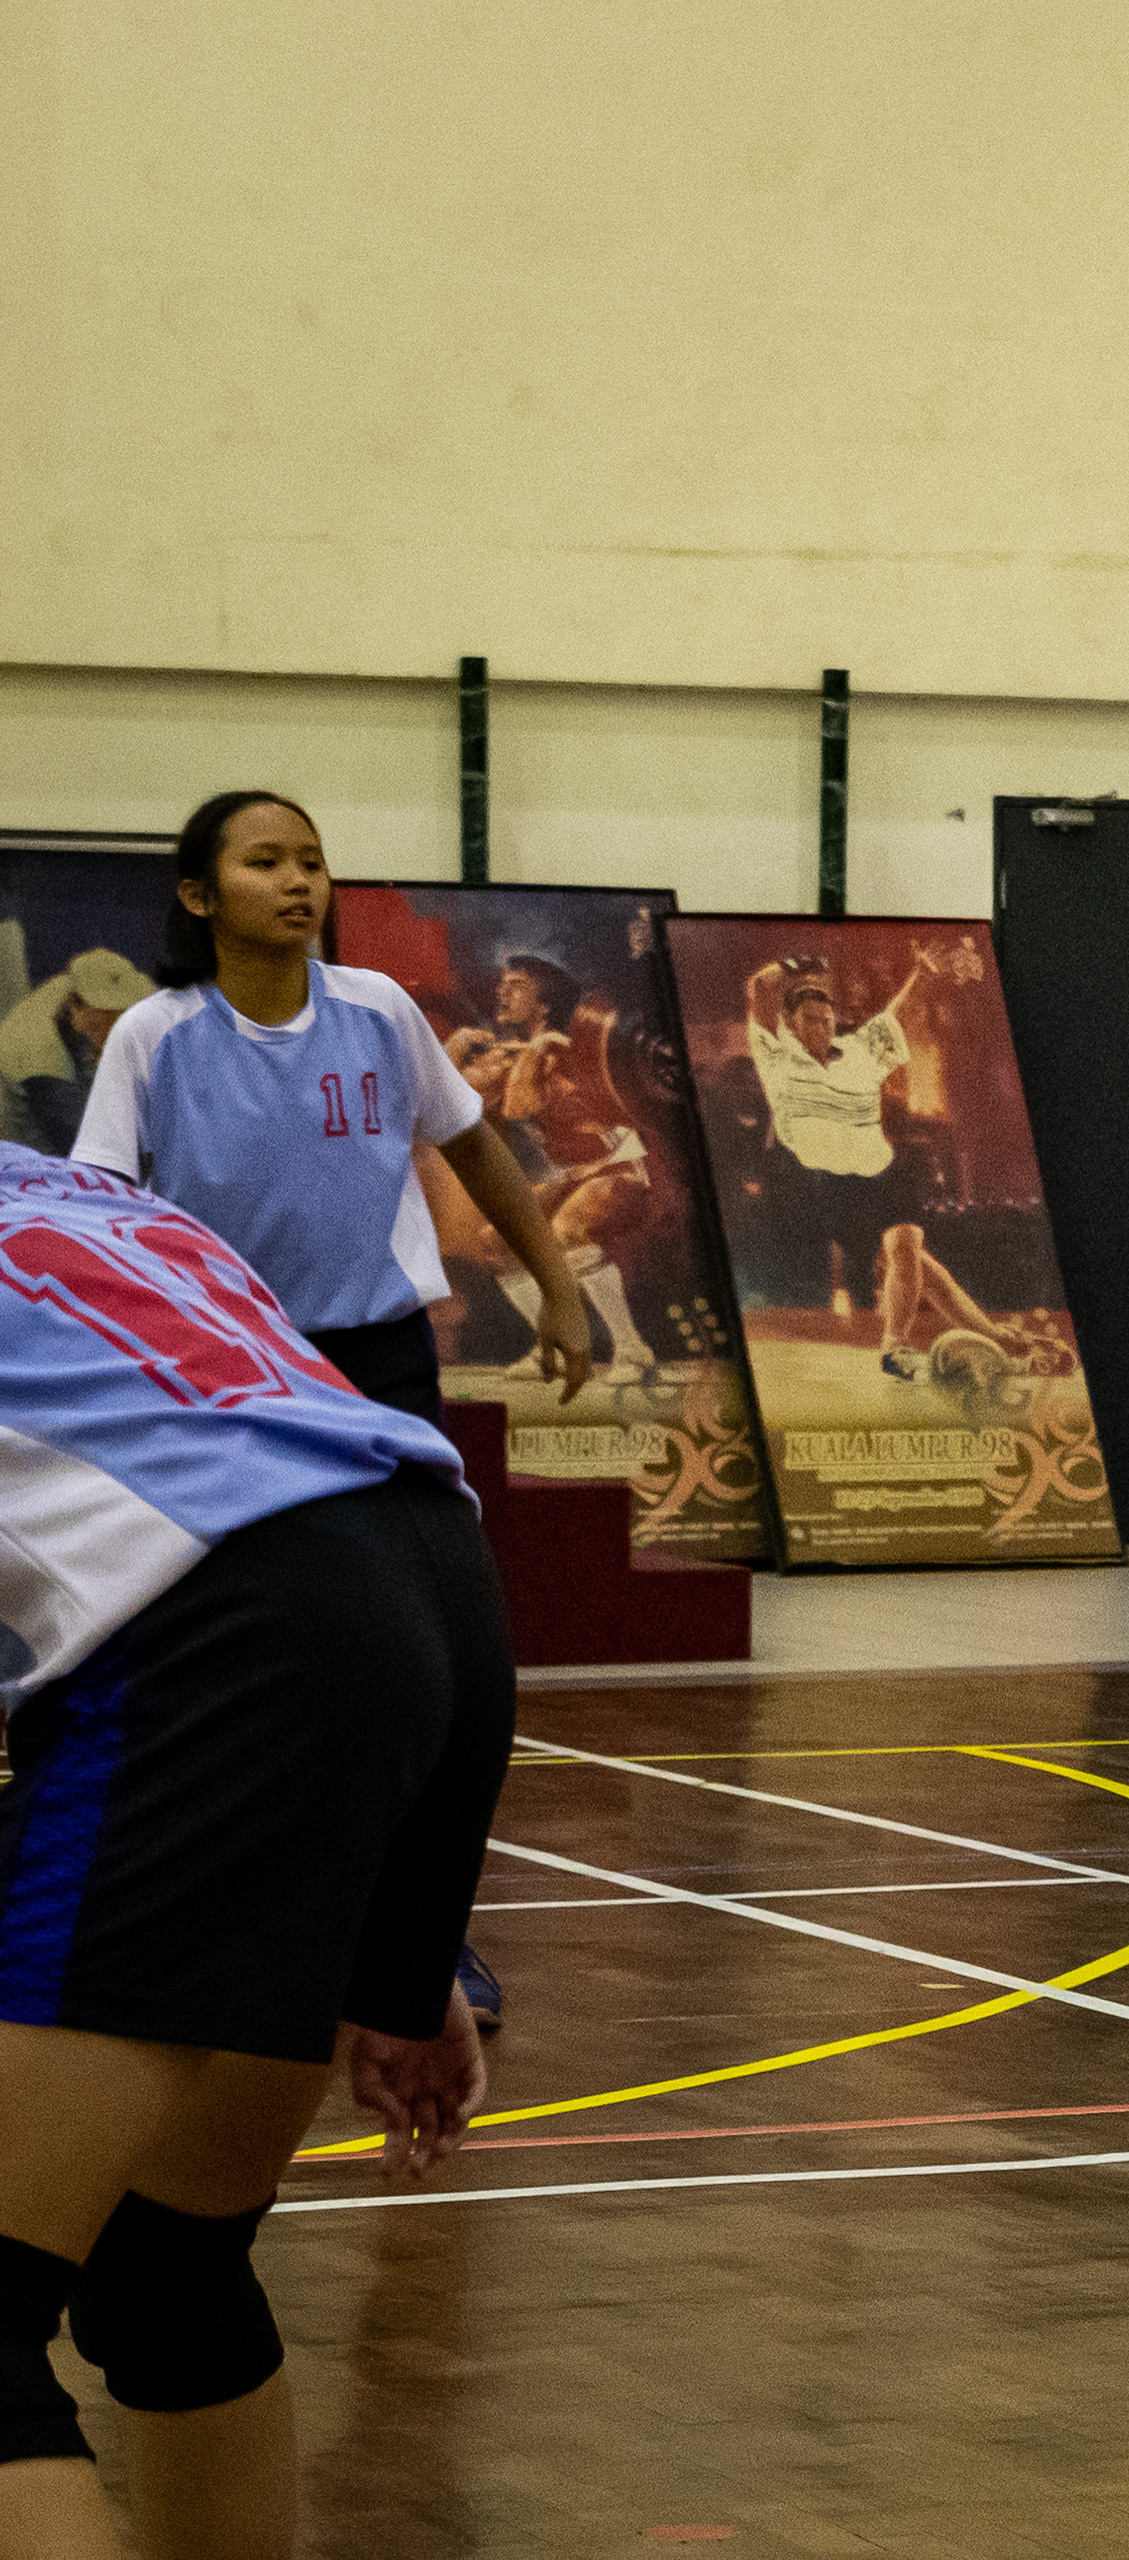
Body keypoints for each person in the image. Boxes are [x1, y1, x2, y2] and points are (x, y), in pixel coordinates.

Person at [0, 1143, 505, 2560]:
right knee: (168, 2273)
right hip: (435, 1589)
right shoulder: (82, 1195)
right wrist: (389, 1928)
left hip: (229, 1640)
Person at [73, 790, 584, 2038]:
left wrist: (561, 1287)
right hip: (227, 1382)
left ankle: (425, 1938)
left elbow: (477, 1150)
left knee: (453, 1667)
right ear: (201, 894)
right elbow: (98, 1215)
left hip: (379, 1374)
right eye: (265, 861)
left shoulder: (380, 1011)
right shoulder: (154, 1035)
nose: (300, 880)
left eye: (311, 859)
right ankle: (217, 1915)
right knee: (270, 1665)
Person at [739, 944, 1013, 1383]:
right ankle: (994, 1336)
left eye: (827, 1019)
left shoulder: (858, 1050)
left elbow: (895, 1015)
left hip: (885, 1174)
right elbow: (760, 988)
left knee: (904, 1246)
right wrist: (797, 965)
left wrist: (922, 973)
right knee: (922, 1270)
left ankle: (894, 1348)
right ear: (790, 1023)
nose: (822, 1026)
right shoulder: (776, 1054)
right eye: (811, 1019)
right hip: (831, 1185)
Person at [447, 954, 658, 1384]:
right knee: (497, 1241)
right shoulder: (519, 1054)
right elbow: (446, 1102)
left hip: (623, 1169)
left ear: (544, 1004)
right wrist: (455, 1046)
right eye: (503, 983)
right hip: (574, 1176)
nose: (502, 991)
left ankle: (632, 1350)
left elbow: (518, 1106)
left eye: (516, 984)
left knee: (567, 1230)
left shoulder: (568, 1048)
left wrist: (534, 1051)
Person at [0, 950, 155, 1156]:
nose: (120, 1023)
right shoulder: (44, 1062)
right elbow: (94, 1138)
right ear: (78, 1006)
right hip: (32, 1143)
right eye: (111, 1019)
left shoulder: (77, 984)